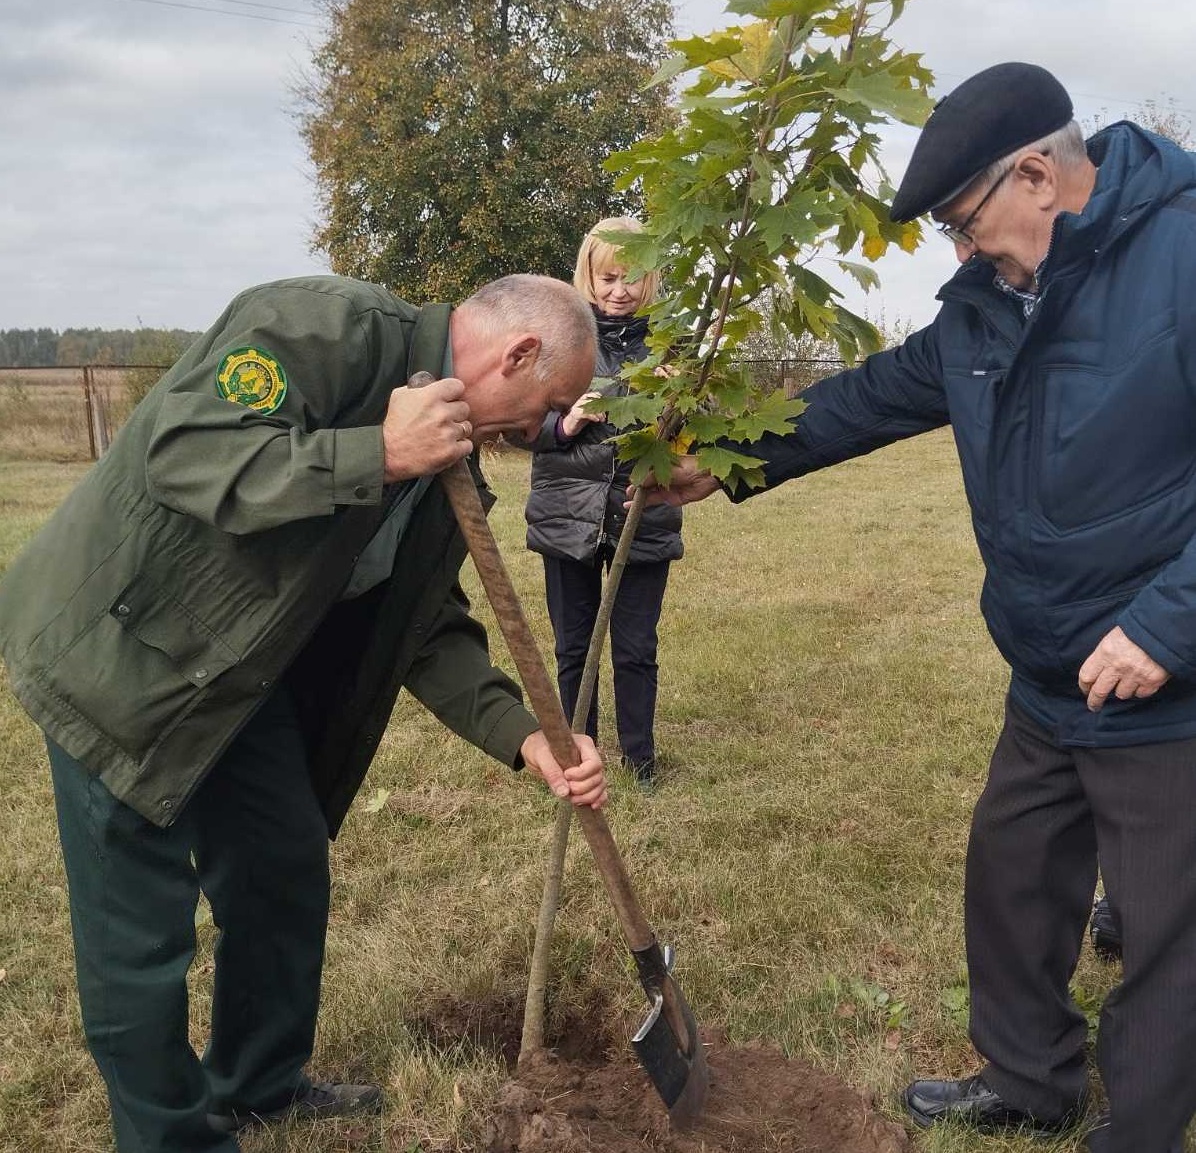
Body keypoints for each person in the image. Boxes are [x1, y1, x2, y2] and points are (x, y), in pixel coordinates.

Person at [636, 63, 1196, 1153]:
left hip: (1157, 675)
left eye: (959, 221)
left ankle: (1136, 1128)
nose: (955, 251)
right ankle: (1029, 1079)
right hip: (1045, 668)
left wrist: (1169, 623)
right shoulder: (986, 305)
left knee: (1169, 930)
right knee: (1013, 879)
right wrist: (725, 459)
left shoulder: (1180, 256)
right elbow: (868, 398)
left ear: (1036, 175)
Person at [0, 272, 610, 1153]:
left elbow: (424, 624)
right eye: (542, 406)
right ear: (516, 354)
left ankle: (258, 1082)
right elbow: (184, 451)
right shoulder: (323, 331)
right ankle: (171, 1138)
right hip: (121, 656)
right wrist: (376, 454)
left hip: (238, 675)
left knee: (281, 864)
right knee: (140, 931)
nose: (534, 433)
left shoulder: (451, 461)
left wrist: (525, 740)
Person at [523, 216, 681, 786]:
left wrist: (675, 403)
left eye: (633, 277)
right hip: (567, 511)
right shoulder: (558, 338)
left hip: (643, 509)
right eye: (609, 276)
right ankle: (574, 754)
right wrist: (565, 423)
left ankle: (640, 761)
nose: (620, 290)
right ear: (588, 274)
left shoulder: (673, 343)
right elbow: (520, 421)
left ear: (651, 279)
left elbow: (699, 434)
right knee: (574, 645)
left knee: (636, 646)